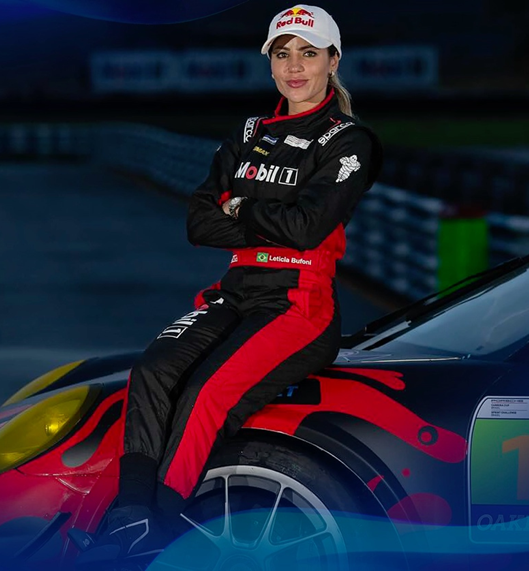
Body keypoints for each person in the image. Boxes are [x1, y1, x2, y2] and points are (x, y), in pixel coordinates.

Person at [77, 4, 383, 566]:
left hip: (299, 303)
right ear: (269, 64)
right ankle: (129, 515)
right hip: (236, 290)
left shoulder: (348, 141)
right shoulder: (249, 131)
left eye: (309, 54)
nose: (295, 67)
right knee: (152, 371)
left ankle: (158, 528)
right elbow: (199, 222)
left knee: (207, 393)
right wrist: (269, 212)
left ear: (333, 61)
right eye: (283, 54)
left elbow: (309, 227)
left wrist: (240, 205)